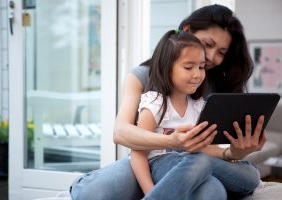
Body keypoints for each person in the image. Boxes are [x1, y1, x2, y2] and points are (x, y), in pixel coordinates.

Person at [70, 4, 265, 200]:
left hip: (198, 161)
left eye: (222, 52)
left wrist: (233, 152)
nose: (211, 57)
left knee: (235, 180)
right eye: (207, 44)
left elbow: (205, 148)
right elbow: (121, 132)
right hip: (156, 158)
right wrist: (172, 141)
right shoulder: (146, 82)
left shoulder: (209, 85)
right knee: (91, 193)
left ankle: (177, 185)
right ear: (187, 31)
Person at [131, 30, 218, 199]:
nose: (197, 74)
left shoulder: (199, 106)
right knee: (201, 161)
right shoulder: (154, 104)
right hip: (160, 164)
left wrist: (231, 152)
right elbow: (138, 155)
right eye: (188, 67)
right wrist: (150, 191)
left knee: (215, 190)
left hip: (191, 167)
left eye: (201, 67)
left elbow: (206, 147)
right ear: (166, 68)